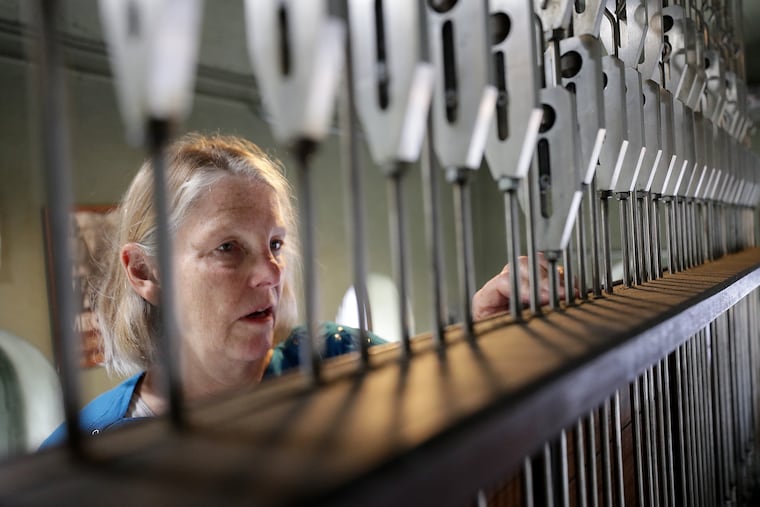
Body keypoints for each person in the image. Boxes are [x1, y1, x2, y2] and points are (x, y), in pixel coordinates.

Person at [41, 133, 559, 447]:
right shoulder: (83, 447)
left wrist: (480, 332)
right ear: (144, 274)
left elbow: (443, 387)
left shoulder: (334, 356)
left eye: (274, 244)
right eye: (227, 248)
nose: (270, 272)